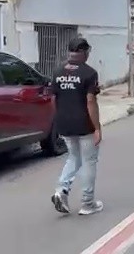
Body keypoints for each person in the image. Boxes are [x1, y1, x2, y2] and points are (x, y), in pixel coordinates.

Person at [50, 37, 103, 216]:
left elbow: (53, 99)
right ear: (84, 52)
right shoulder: (89, 73)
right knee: (89, 161)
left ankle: (61, 190)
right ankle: (87, 202)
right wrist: (97, 128)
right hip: (84, 123)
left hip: (63, 122)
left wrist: (58, 119)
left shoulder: (57, 71)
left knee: (74, 157)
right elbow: (90, 101)